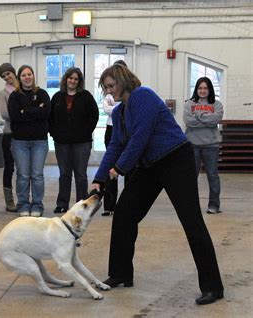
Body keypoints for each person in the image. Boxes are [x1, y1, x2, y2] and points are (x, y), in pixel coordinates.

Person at [90, 64, 224, 305]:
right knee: (124, 213)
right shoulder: (120, 112)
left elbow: (140, 138)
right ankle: (120, 273)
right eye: (106, 89)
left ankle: (213, 287)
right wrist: (99, 179)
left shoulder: (144, 96)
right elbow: (116, 146)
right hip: (150, 165)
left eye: (111, 86)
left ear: (123, 80)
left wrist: (119, 169)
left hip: (175, 159)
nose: (109, 92)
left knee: (191, 221)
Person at [49, 67, 98, 214]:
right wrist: (54, 133)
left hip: (82, 143)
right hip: (61, 142)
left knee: (81, 175)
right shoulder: (57, 97)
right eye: (70, 78)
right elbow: (50, 118)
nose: (73, 81)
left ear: (79, 81)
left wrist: (85, 132)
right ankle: (62, 203)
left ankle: (81, 205)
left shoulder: (86, 97)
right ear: (66, 79)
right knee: (64, 174)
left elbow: (94, 116)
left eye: (76, 79)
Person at [7, 65, 50, 217]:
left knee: (37, 175)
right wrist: (35, 110)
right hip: (20, 142)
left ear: (33, 76)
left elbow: (46, 113)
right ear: (20, 78)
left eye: (29, 74)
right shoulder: (14, 96)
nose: (27, 77)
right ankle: (23, 204)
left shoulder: (43, 94)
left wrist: (25, 111)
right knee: (23, 175)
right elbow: (15, 116)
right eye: (24, 75)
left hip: (39, 142)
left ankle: (37, 205)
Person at [183, 77, 224, 214]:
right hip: (192, 144)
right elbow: (189, 121)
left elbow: (215, 120)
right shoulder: (189, 104)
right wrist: (207, 118)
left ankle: (214, 205)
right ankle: (190, 206)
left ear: (210, 89)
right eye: (200, 88)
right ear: (196, 89)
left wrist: (198, 115)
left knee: (212, 175)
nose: (202, 91)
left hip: (211, 145)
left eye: (205, 88)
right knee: (190, 176)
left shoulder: (217, 104)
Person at [102, 59, 131, 217]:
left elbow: (112, 108)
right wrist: (117, 107)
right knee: (110, 168)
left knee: (129, 167)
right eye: (108, 87)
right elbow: (107, 109)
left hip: (127, 131)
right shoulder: (109, 95)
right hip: (111, 129)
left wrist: (116, 107)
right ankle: (109, 205)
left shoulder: (137, 96)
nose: (110, 90)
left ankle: (128, 203)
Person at [0, 63, 18, 212]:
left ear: (14, 73)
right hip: (9, 134)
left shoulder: (24, 88)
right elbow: (5, 114)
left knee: (24, 168)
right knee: (9, 168)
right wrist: (24, 112)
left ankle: (24, 198)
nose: (7, 77)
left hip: (24, 134)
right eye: (3, 76)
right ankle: (9, 201)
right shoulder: (3, 93)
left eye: (8, 73)